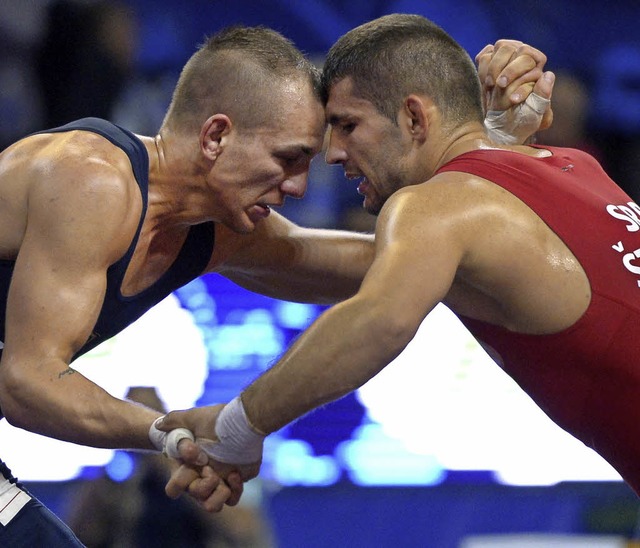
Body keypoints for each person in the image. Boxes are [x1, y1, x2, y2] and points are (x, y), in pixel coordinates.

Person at [0, 21, 548, 545]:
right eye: (289, 159)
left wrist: (491, 150)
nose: (300, 187)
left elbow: (411, 261)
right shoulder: (91, 178)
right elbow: (26, 382)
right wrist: (172, 434)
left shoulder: (215, 231)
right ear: (216, 136)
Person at [161, 13, 640, 505]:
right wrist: (201, 230)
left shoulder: (433, 206)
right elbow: (332, 264)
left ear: (414, 118)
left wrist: (238, 425)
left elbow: (378, 319)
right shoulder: (573, 167)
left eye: (347, 125)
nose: (333, 153)